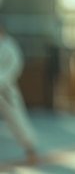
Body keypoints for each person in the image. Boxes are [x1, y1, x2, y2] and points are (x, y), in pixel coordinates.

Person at [0, 23, 38, 165]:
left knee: (16, 119)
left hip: (6, 90)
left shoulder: (10, 46)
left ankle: (30, 148)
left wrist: (1, 80)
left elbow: (15, 66)